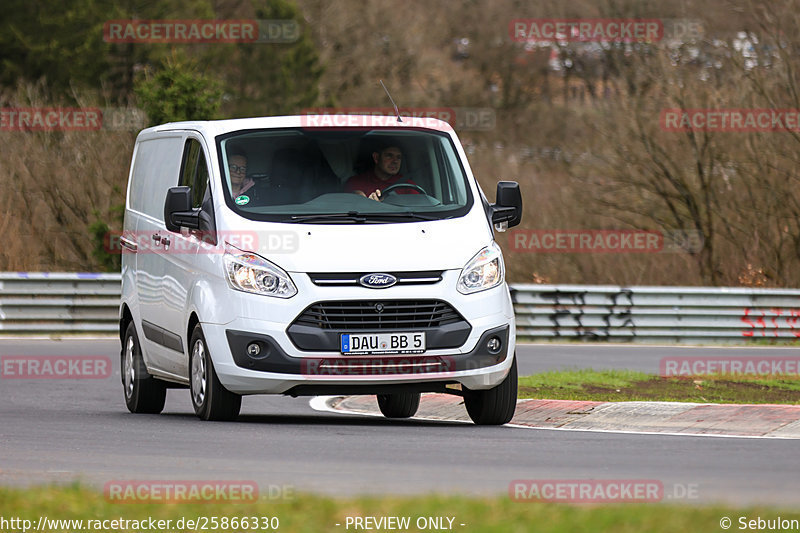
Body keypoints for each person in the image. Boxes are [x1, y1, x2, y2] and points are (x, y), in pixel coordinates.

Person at [344, 144, 419, 201]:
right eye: (389, 156)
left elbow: (419, 208)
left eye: (398, 157)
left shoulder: (407, 185)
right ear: (376, 157)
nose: (395, 161)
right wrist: (363, 202)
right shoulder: (356, 183)